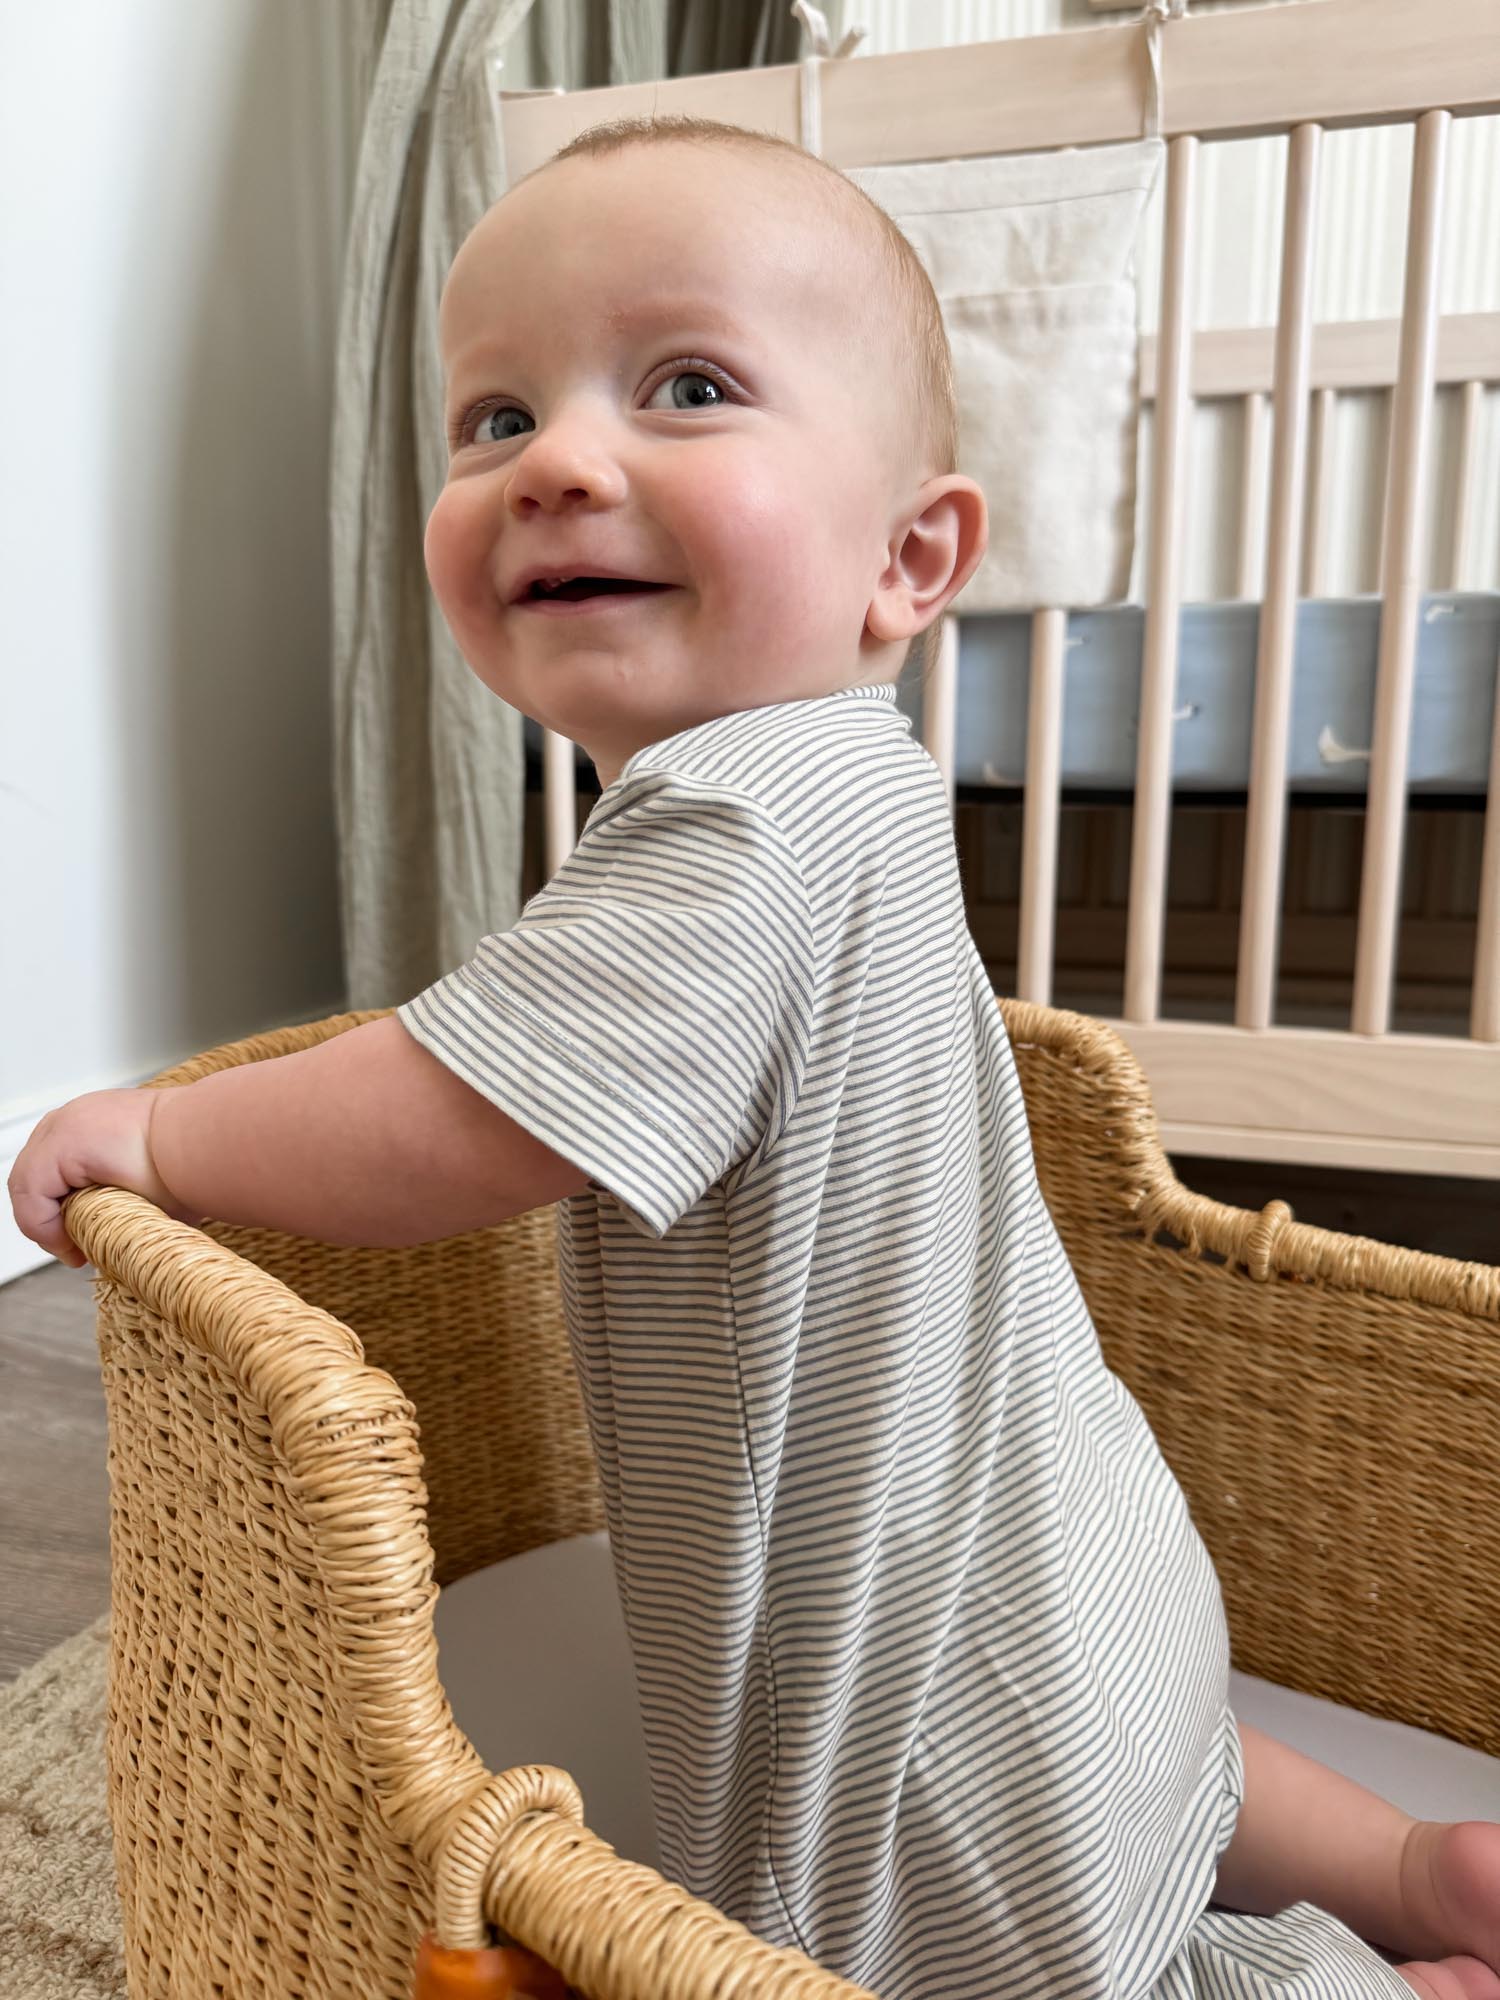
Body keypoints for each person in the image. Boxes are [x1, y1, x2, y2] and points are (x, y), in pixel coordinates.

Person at [10, 116, 1497, 2000]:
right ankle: (1411, 1867)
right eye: (494, 416)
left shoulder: (729, 820)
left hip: (922, 1713)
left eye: (689, 389)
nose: (557, 463)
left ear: (910, 557)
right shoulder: (858, 778)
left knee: (1038, 1954)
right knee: (1169, 1776)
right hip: (1086, 1562)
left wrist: (165, 1131)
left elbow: (458, 1119)